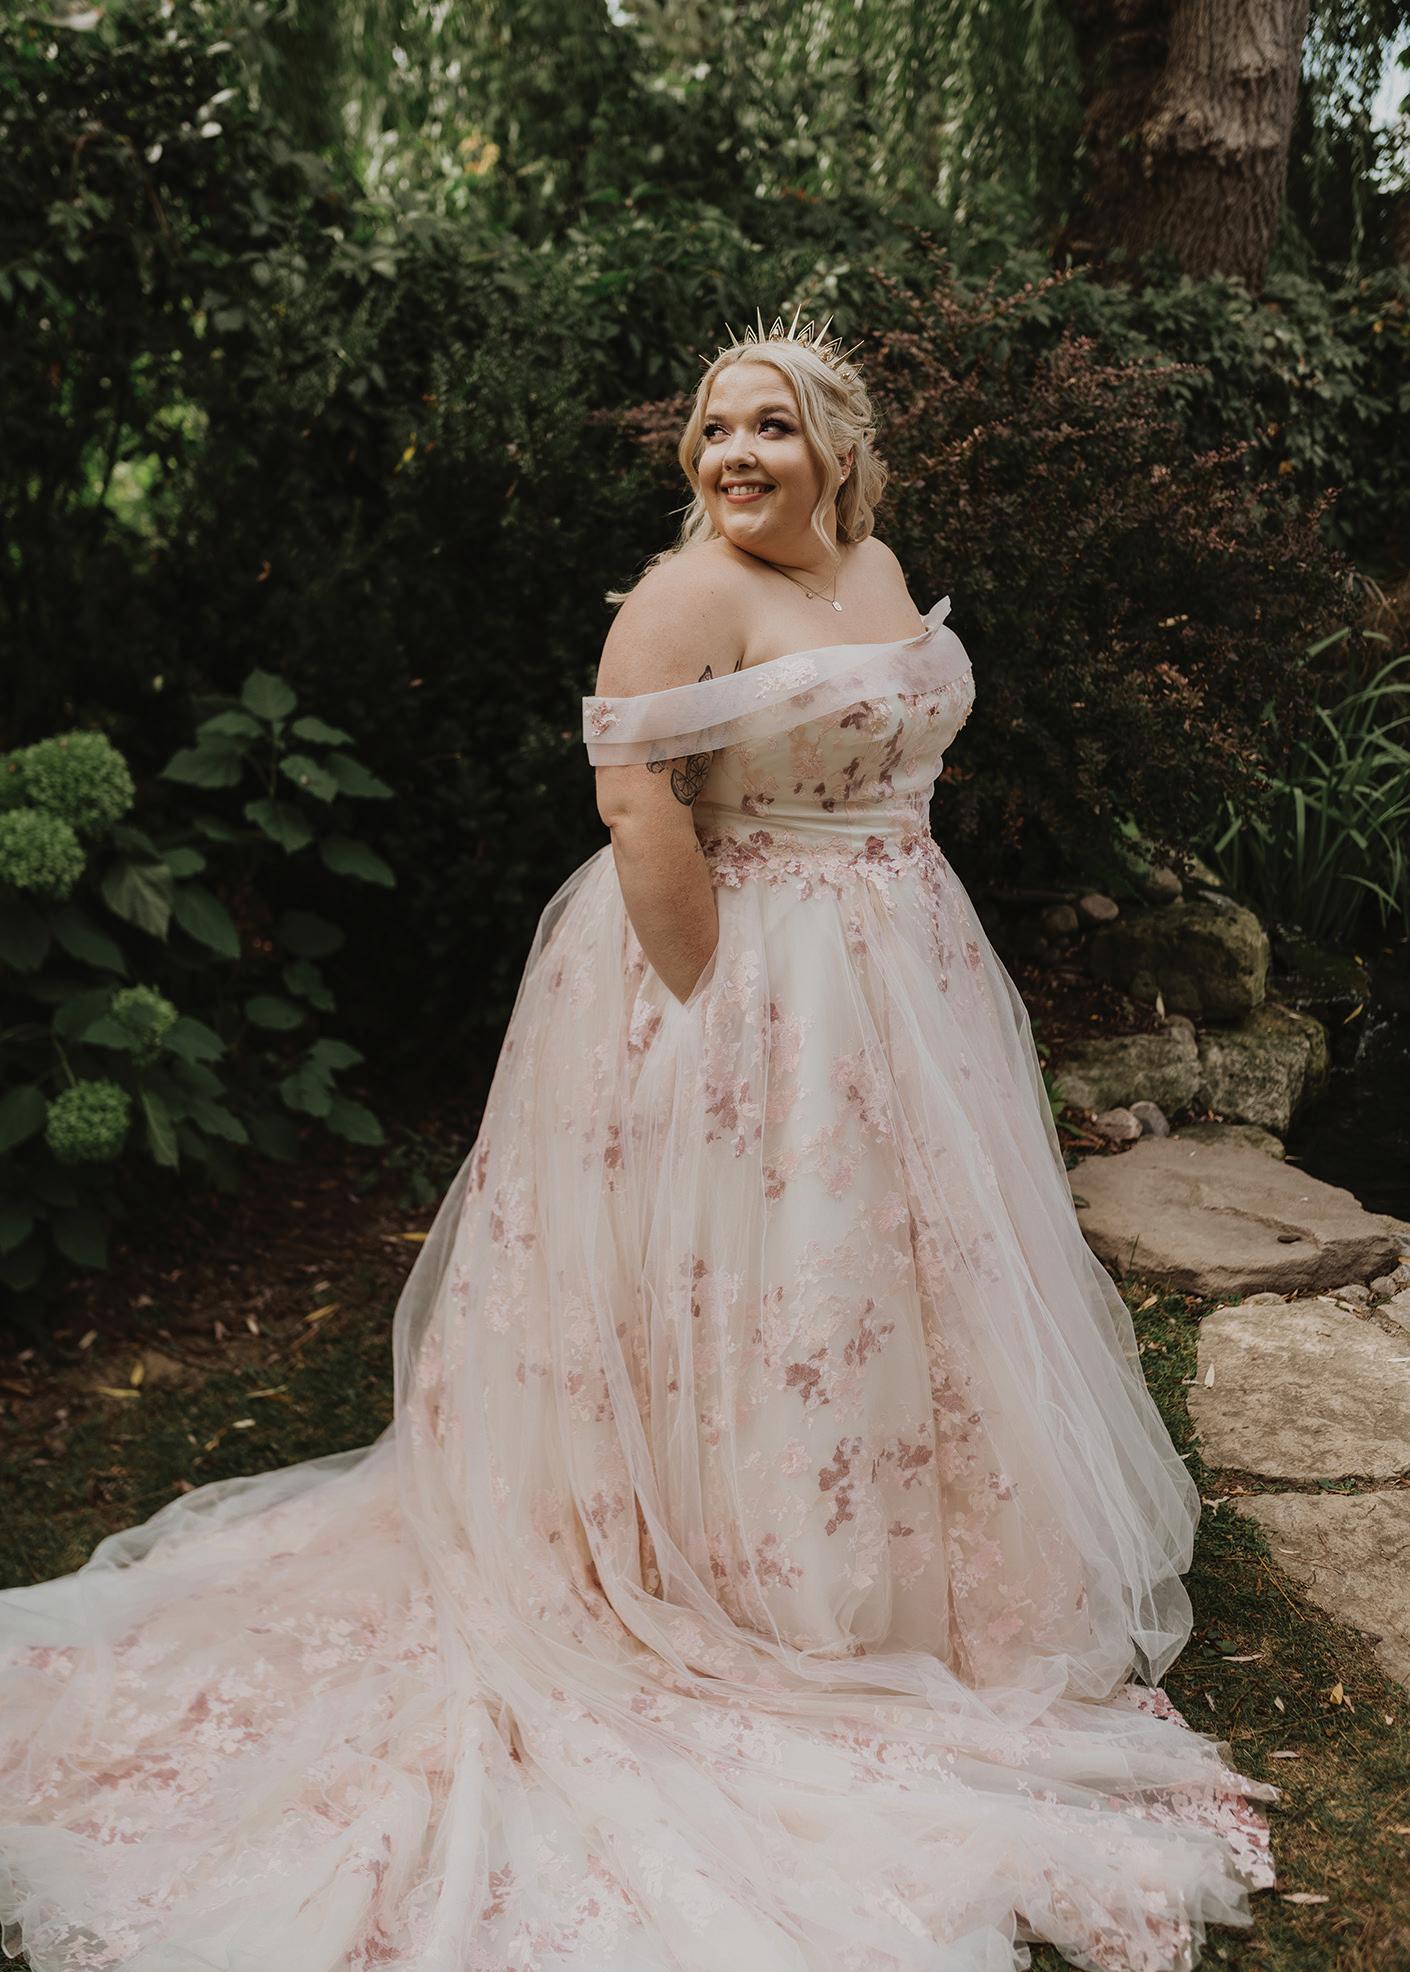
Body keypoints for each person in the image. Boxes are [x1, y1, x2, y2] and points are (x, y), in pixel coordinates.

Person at [0, 307, 1278, 1972]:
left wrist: (884, 928)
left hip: (895, 957)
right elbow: (633, 800)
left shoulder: (876, 570)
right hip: (736, 971)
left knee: (886, 1270)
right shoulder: (685, 595)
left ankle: (908, 1567)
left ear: (837, 448)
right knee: (752, 1267)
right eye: (714, 429)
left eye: (769, 426)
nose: (734, 454)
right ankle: (734, 1573)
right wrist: (712, 1009)